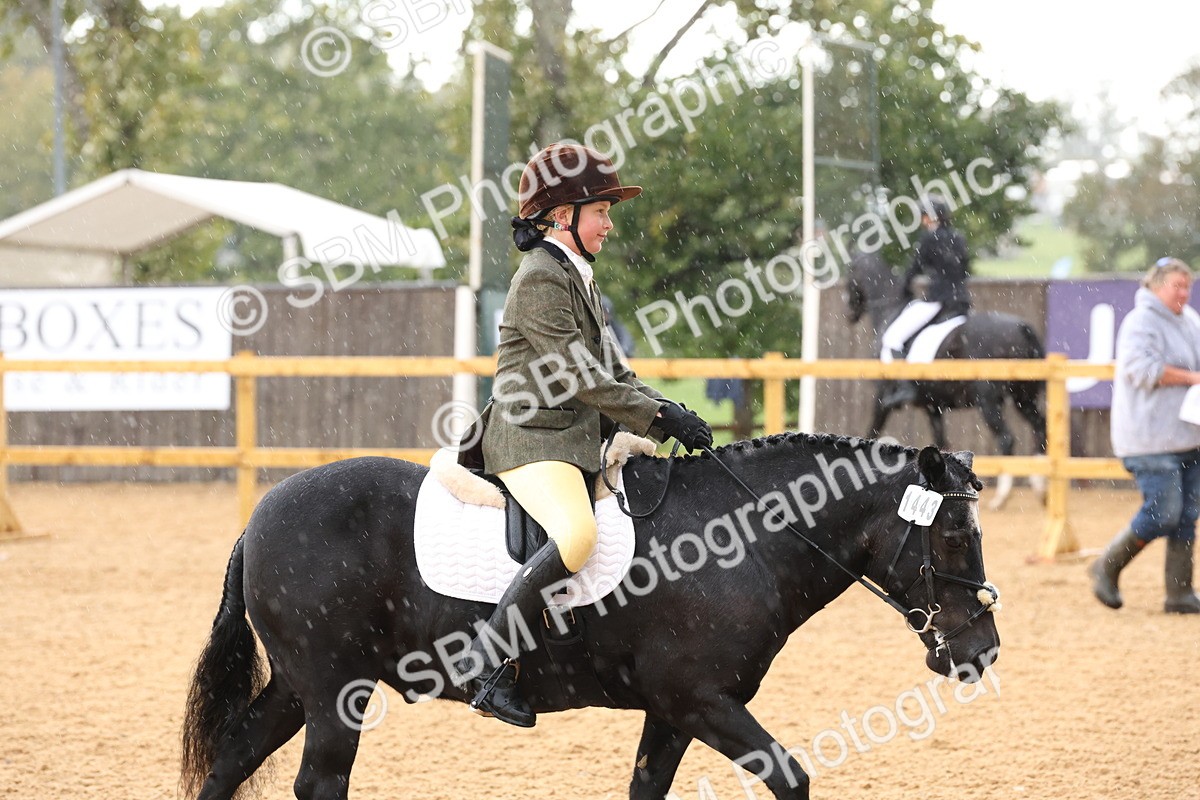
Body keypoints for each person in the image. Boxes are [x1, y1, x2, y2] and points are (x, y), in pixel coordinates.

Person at [454, 143, 714, 726]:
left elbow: (616, 373)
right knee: (577, 537)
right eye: (601, 210)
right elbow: (578, 376)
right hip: (531, 441)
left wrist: (668, 408)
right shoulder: (541, 278)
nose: (609, 223)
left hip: (572, 441)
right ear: (562, 215)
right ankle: (487, 659)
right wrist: (659, 419)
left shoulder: (579, 278)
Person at [1091, 257, 1200, 614]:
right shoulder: (1141, 322)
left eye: (1188, 285)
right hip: (1148, 438)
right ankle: (1106, 565)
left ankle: (1180, 593)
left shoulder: (1190, 321)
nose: (1184, 292)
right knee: (1164, 513)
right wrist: (1192, 378)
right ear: (1156, 286)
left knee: (1185, 515)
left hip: (1187, 435)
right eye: (1177, 286)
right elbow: (1143, 370)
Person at [878, 195, 971, 406]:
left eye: (923, 217)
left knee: (892, 338)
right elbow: (964, 270)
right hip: (962, 301)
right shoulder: (959, 237)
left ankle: (904, 386)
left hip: (938, 300)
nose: (922, 221)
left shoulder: (929, 238)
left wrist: (904, 288)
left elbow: (915, 267)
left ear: (930, 217)